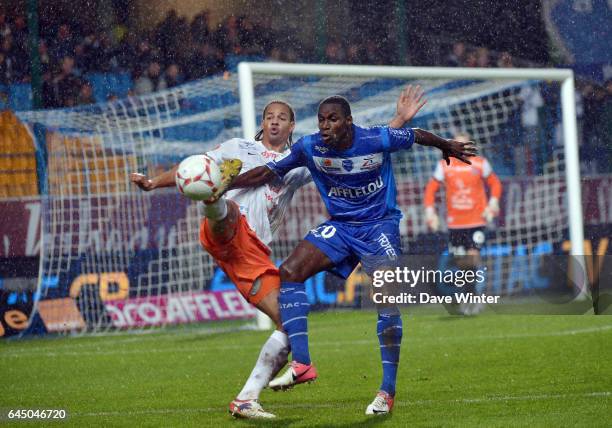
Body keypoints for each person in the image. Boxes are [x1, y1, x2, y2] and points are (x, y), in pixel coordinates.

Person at [228, 88, 476, 415]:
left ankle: (387, 391)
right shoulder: (309, 146)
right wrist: (226, 185)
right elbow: (268, 172)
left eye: (332, 120)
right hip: (341, 227)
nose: (325, 126)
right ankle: (302, 362)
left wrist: (446, 145)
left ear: (348, 122)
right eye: (321, 120)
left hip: (378, 227)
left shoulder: (376, 139)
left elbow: (415, 135)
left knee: (386, 300)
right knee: (289, 272)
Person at [130, 100, 310, 419]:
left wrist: (393, 128)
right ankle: (213, 202)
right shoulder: (238, 147)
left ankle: (246, 399)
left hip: (250, 252)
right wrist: (153, 183)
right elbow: (193, 168)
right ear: (263, 121)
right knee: (228, 209)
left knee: (290, 324)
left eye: (282, 118)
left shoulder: (296, 165)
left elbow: (337, 160)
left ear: (291, 126)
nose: (274, 122)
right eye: (269, 117)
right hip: (227, 228)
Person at [423, 132, 502, 314]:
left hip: (476, 221)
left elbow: (495, 184)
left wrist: (493, 203)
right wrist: (430, 213)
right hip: (455, 223)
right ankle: (470, 296)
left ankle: (472, 300)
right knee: (461, 262)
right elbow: (430, 190)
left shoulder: (480, 163)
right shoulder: (444, 165)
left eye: (465, 144)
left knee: (472, 257)